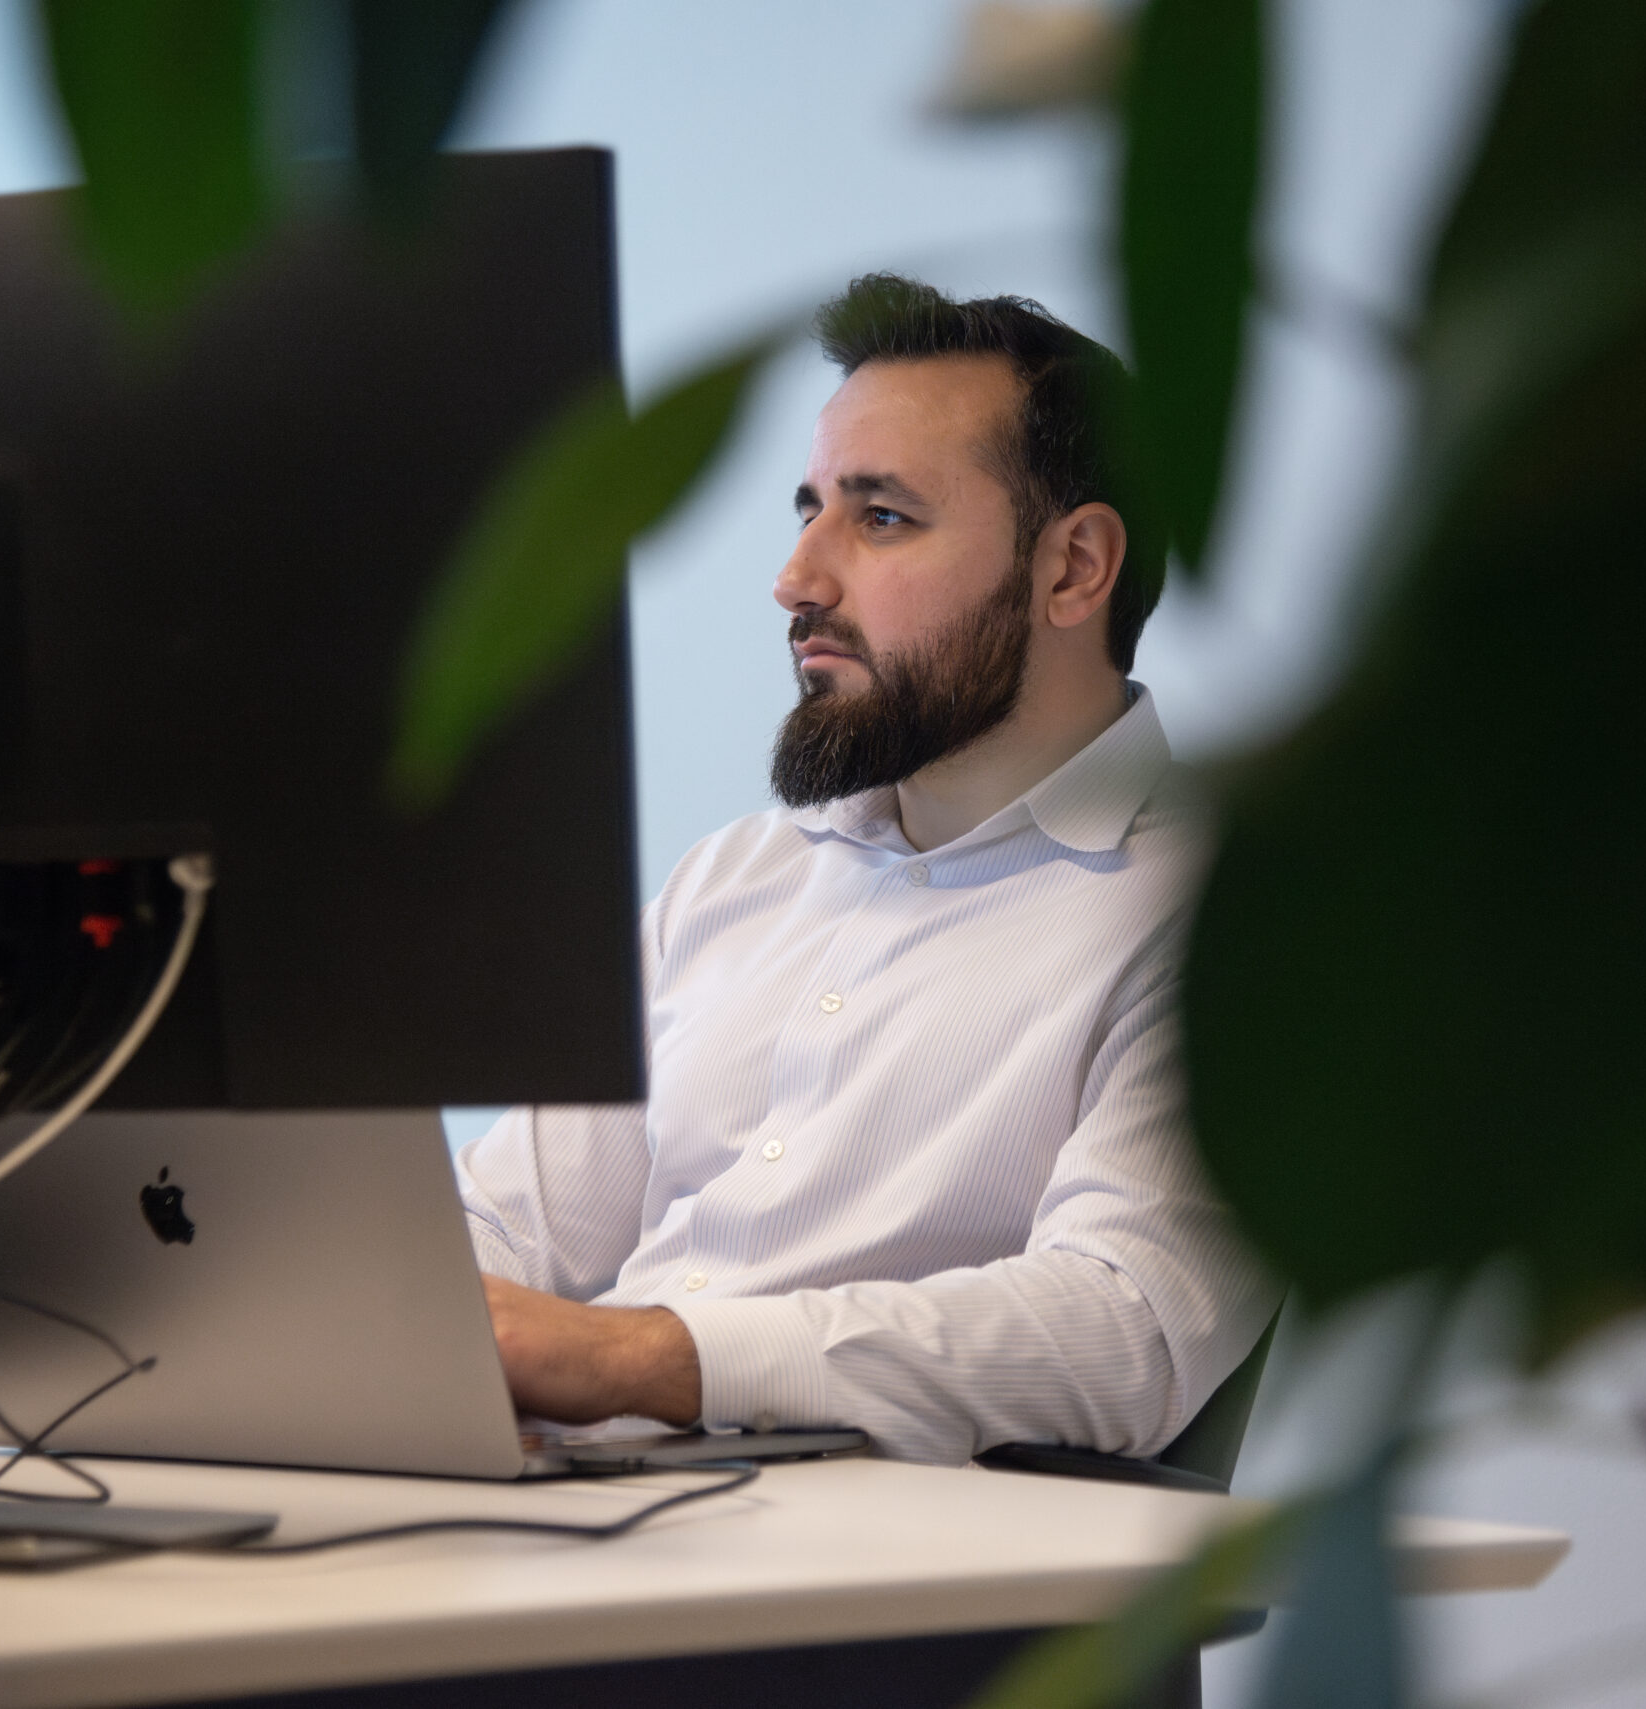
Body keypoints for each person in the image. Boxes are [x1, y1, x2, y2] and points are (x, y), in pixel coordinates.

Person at [457, 274, 1276, 1465]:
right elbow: (504, 1230)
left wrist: (640, 1358)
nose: (798, 579)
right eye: (808, 509)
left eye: (879, 517)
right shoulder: (734, 879)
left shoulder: (1231, 921)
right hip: (576, 1530)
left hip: (881, 1612)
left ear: (1072, 568)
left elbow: (1125, 1326)